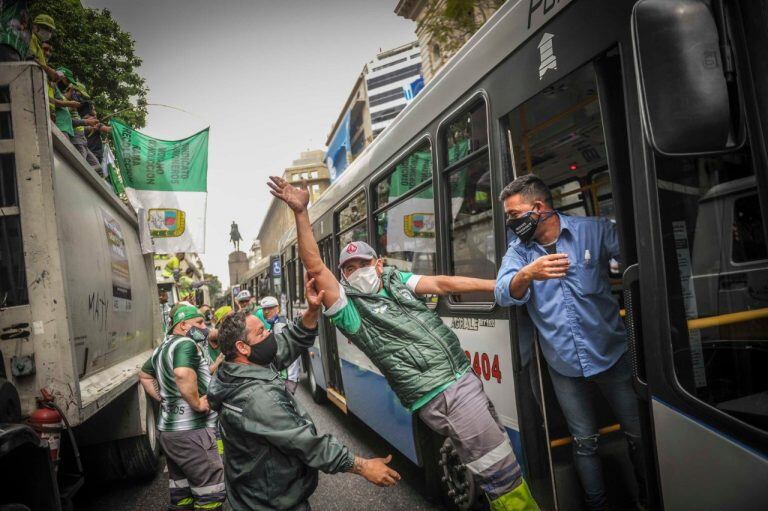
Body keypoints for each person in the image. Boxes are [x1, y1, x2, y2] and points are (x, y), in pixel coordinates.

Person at [268, 176, 538, 511]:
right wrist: (301, 213)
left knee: (501, 461)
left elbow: (440, 283)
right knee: (502, 476)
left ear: (378, 264)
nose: (355, 273)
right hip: (442, 392)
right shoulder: (350, 310)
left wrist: (501, 284)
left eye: (362, 265)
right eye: (348, 270)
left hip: (462, 378)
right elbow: (315, 266)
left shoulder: (396, 281)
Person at [494, 175, 645, 510]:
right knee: (585, 441)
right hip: (562, 363)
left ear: (538, 208)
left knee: (637, 432)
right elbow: (502, 292)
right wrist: (528, 274)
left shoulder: (593, 230)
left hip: (611, 354)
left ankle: (647, 497)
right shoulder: (520, 250)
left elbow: (637, 262)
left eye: (514, 215)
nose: (510, 223)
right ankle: (597, 505)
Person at [208, 277, 401, 511]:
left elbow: (290, 340)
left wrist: (311, 310)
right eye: (261, 332)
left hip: (257, 495)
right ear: (242, 347)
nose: (269, 332)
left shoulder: (243, 367)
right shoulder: (256, 399)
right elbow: (307, 443)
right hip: (271, 504)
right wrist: (362, 466)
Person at [138, 304, 226, 510]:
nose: (204, 328)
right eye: (199, 323)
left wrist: (164, 399)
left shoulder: (162, 348)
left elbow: (144, 375)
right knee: (209, 493)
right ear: (183, 325)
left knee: (182, 492)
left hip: (169, 433)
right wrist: (197, 403)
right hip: (192, 432)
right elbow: (182, 373)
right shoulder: (186, 344)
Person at [261, 295, 301, 394]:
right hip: (287, 376)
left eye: (270, 308)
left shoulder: (280, 326)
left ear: (277, 309)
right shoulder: (277, 323)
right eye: (264, 309)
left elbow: (279, 352)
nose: (266, 312)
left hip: (286, 377)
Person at [27, 13, 59, 82]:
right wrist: (48, 70)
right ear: (35, 26)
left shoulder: (38, 44)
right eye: (46, 28)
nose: (48, 33)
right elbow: (29, 58)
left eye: (50, 31)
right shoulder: (32, 37)